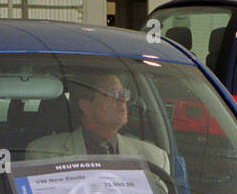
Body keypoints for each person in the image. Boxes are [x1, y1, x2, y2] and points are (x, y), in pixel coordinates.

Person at [26, 72, 170, 174]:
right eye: (113, 94)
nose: (123, 100)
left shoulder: (154, 158)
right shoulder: (43, 153)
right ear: (86, 106)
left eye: (124, 93)